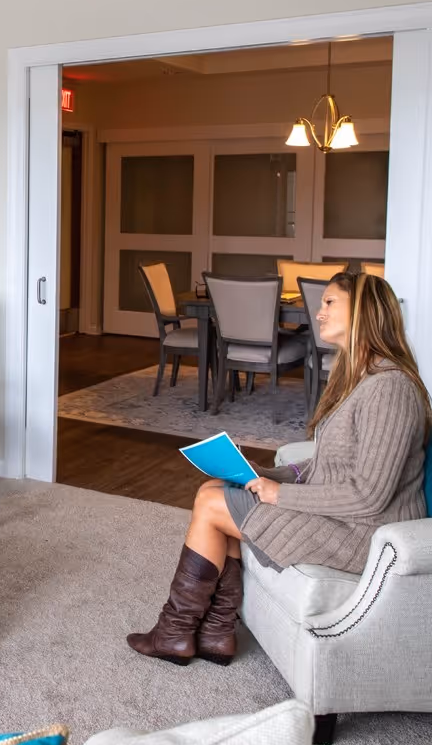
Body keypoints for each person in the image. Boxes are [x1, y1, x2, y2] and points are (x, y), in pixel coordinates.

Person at [127, 272, 430, 666]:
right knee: (219, 488)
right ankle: (215, 633)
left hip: (365, 535)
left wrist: (278, 494)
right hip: (346, 520)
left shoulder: (389, 388)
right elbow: (329, 466)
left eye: (330, 303)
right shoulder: (360, 378)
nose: (318, 313)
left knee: (213, 504)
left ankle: (176, 632)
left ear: (363, 313)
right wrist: (264, 474)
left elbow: (368, 495)